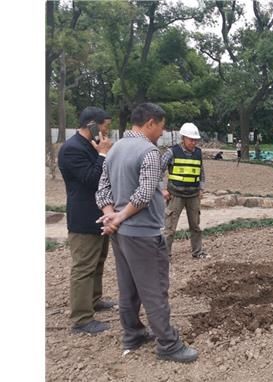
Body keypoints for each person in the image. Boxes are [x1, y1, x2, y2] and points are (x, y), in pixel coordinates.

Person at [95, 103, 198, 363]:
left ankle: (133, 333)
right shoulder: (149, 152)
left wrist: (111, 215)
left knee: (128, 287)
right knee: (155, 288)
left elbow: (102, 191)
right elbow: (143, 194)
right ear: (150, 122)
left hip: (121, 233)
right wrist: (119, 216)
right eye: (161, 127)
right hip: (142, 232)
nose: (161, 134)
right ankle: (168, 344)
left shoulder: (114, 149)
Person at [58, 106, 115, 335]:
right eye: (104, 127)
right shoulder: (72, 149)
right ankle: (81, 318)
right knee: (83, 267)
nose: (105, 133)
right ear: (91, 124)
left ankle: (94, 299)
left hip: (99, 214)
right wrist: (102, 154)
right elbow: (93, 179)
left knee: (98, 260)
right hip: (83, 217)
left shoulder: (89, 145)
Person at [161, 122, 207, 259]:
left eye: (195, 140)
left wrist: (201, 189)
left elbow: (201, 172)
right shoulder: (172, 152)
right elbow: (159, 169)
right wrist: (162, 189)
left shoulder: (198, 153)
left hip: (193, 195)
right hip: (175, 195)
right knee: (169, 228)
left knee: (196, 226)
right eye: (191, 139)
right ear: (183, 138)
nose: (194, 142)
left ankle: (197, 252)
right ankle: (164, 255)